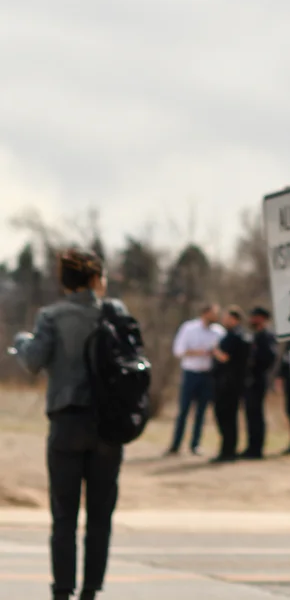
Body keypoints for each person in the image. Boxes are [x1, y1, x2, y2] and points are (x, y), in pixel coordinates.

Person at [11, 247, 128, 600]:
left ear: (65, 281)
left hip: (66, 421)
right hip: (108, 426)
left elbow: (33, 361)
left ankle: (62, 591)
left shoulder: (51, 315)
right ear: (95, 278)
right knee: (100, 515)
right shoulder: (115, 312)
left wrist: (20, 341)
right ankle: (91, 590)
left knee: (64, 515)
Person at [167, 304, 222, 455]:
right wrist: (201, 352)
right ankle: (175, 444)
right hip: (191, 373)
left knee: (201, 412)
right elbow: (179, 351)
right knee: (183, 410)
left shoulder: (218, 332)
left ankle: (195, 444)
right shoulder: (189, 328)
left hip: (208, 375)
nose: (215, 317)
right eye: (212, 313)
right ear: (205, 313)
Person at [211, 306, 249, 463]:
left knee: (226, 417)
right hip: (228, 383)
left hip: (228, 384)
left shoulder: (235, 336)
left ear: (234, 319)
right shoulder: (233, 335)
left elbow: (226, 357)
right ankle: (227, 449)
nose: (224, 320)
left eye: (226, 317)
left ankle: (228, 450)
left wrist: (215, 351)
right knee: (225, 417)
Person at [242, 306, 277, 459]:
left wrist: (255, 366)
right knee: (250, 414)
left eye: (254, 317)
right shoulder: (254, 335)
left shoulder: (267, 336)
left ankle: (257, 449)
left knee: (256, 414)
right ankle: (251, 446)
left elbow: (269, 358)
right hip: (249, 379)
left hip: (259, 379)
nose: (251, 320)